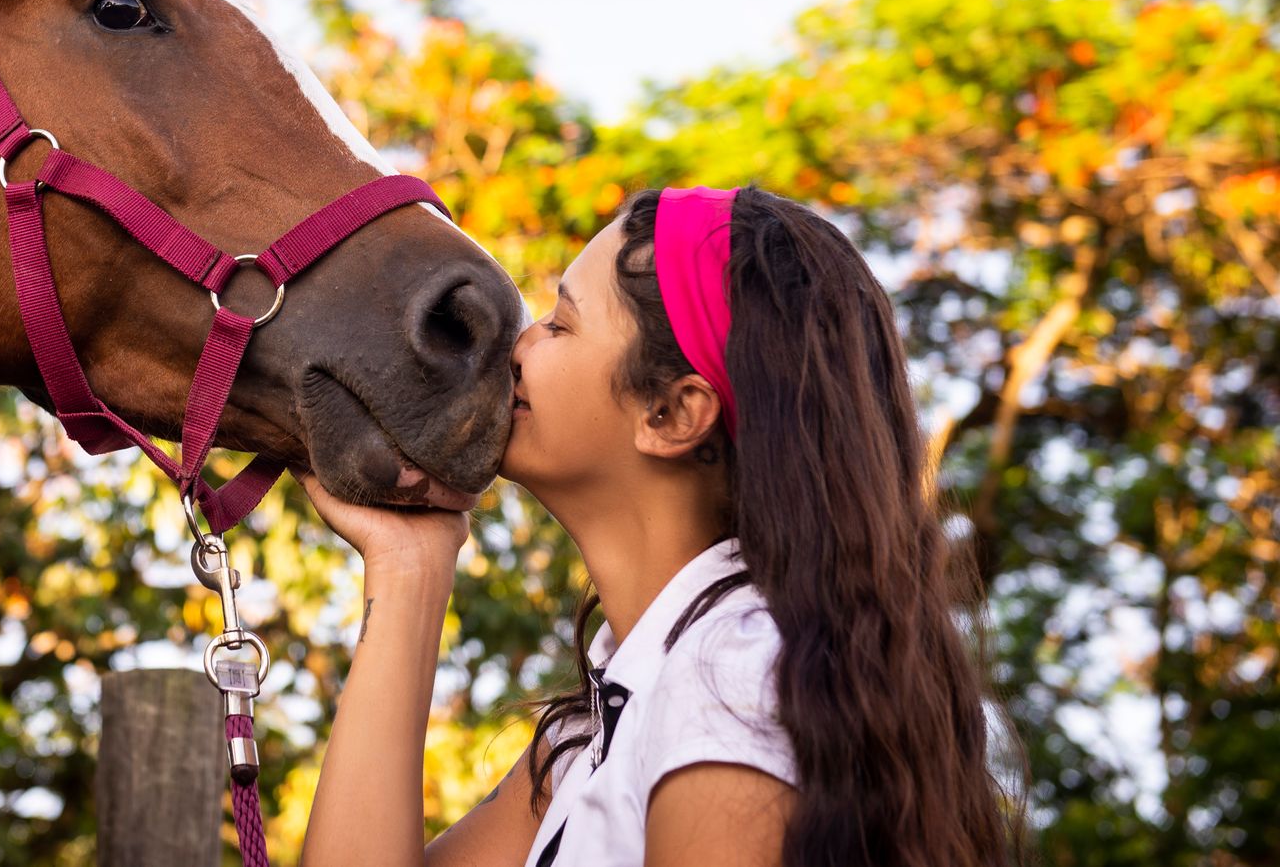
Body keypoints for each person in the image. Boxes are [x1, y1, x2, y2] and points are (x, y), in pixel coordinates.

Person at [294, 187, 1019, 866]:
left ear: (671, 415)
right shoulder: (595, 732)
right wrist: (410, 568)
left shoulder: (733, 687)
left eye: (560, 323)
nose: (517, 345)